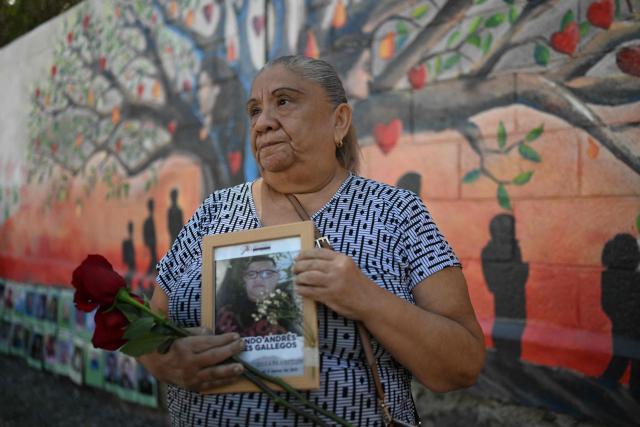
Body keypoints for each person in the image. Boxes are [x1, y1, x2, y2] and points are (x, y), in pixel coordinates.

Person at [139, 55, 485, 426]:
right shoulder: (216, 211)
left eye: (284, 102)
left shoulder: (396, 213)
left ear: (339, 121)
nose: (263, 123)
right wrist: (167, 361)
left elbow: (461, 366)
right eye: (254, 110)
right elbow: (147, 325)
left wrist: (365, 298)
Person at [215, 255, 300, 337]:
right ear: (245, 279)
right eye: (251, 274)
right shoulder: (227, 314)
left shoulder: (292, 308)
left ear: (277, 277)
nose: (258, 279)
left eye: (267, 273)